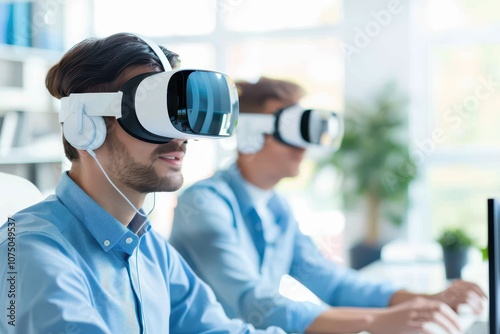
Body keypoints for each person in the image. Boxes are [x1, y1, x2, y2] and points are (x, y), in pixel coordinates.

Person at [0, 33, 286, 334]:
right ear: (84, 126)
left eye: (177, 115)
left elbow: (216, 330)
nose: (179, 138)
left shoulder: (148, 248)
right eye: (152, 116)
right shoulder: (31, 251)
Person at [169, 77, 487, 334]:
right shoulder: (203, 203)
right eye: (289, 132)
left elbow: (331, 281)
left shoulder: (277, 208)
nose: (303, 147)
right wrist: (373, 322)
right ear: (251, 135)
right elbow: (252, 301)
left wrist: (424, 300)